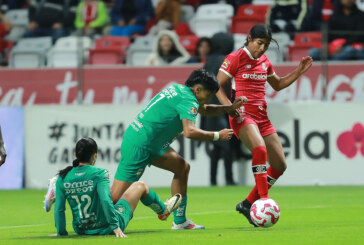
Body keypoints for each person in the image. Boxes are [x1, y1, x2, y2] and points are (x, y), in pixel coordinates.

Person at [110, 69, 247, 230]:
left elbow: (204, 109)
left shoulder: (179, 90)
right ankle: (90, 220)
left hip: (151, 142)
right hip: (140, 145)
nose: (208, 99)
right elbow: (189, 132)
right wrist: (218, 135)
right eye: (208, 95)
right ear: (197, 90)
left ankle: (180, 221)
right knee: (115, 197)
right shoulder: (189, 100)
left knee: (182, 167)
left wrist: (229, 108)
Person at [216, 24, 312, 226]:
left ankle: (248, 203)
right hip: (242, 115)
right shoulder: (235, 58)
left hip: (262, 117)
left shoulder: (264, 61)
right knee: (259, 149)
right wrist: (228, 107)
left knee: (279, 165)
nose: (262, 48)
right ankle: (264, 202)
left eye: (266, 45)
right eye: (259, 43)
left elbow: (278, 84)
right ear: (249, 38)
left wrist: (299, 71)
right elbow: (217, 85)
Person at [48, 137, 182, 237]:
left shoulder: (62, 178)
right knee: (140, 186)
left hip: (81, 229)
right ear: (95, 156)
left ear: (75, 155)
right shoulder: (99, 174)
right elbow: (106, 200)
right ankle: (163, 210)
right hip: (106, 227)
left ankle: (163, 211)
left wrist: (61, 233)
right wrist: (115, 226)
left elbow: (59, 209)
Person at [201, 33, 236, 186]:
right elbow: (227, 86)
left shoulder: (209, 61)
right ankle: (228, 178)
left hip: (209, 108)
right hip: (223, 106)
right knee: (227, 144)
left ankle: (213, 179)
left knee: (216, 145)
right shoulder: (226, 60)